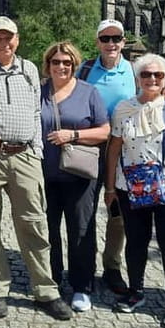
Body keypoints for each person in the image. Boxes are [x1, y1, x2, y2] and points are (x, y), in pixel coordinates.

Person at [0, 16, 71, 321]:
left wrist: (36, 150)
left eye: (9, 38)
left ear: (17, 40)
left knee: (34, 222)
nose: (4, 43)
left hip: (24, 156)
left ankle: (45, 289)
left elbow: (36, 111)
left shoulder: (30, 69)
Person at [77, 19, 165, 295]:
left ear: (124, 42)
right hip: (88, 149)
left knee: (118, 214)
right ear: (97, 41)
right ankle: (83, 268)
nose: (111, 43)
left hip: (125, 152)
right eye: (105, 38)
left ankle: (111, 267)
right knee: (84, 212)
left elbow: (152, 92)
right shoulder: (85, 69)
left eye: (116, 38)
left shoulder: (135, 71)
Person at [105, 53, 165, 328]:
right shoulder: (124, 108)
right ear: (137, 78)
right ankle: (136, 291)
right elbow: (114, 149)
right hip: (131, 187)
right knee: (136, 242)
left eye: (158, 75)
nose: (152, 79)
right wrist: (110, 187)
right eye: (146, 74)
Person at [39, 42, 110, 312]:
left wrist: (74, 135)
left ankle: (82, 286)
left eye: (67, 62)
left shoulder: (88, 92)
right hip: (45, 173)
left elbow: (105, 130)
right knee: (48, 230)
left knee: (81, 230)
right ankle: (52, 280)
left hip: (80, 175)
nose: (61, 67)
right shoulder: (39, 91)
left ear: (74, 65)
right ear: (48, 64)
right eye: (56, 62)